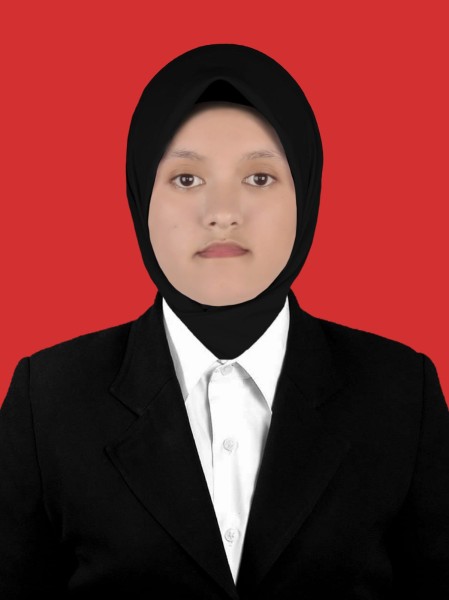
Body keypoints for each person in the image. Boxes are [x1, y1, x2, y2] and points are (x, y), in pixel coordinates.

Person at [1, 43, 448, 599]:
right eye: (186, 179)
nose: (222, 213)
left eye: (259, 177)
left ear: (306, 194)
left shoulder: (401, 391)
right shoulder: (49, 399)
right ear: (140, 196)